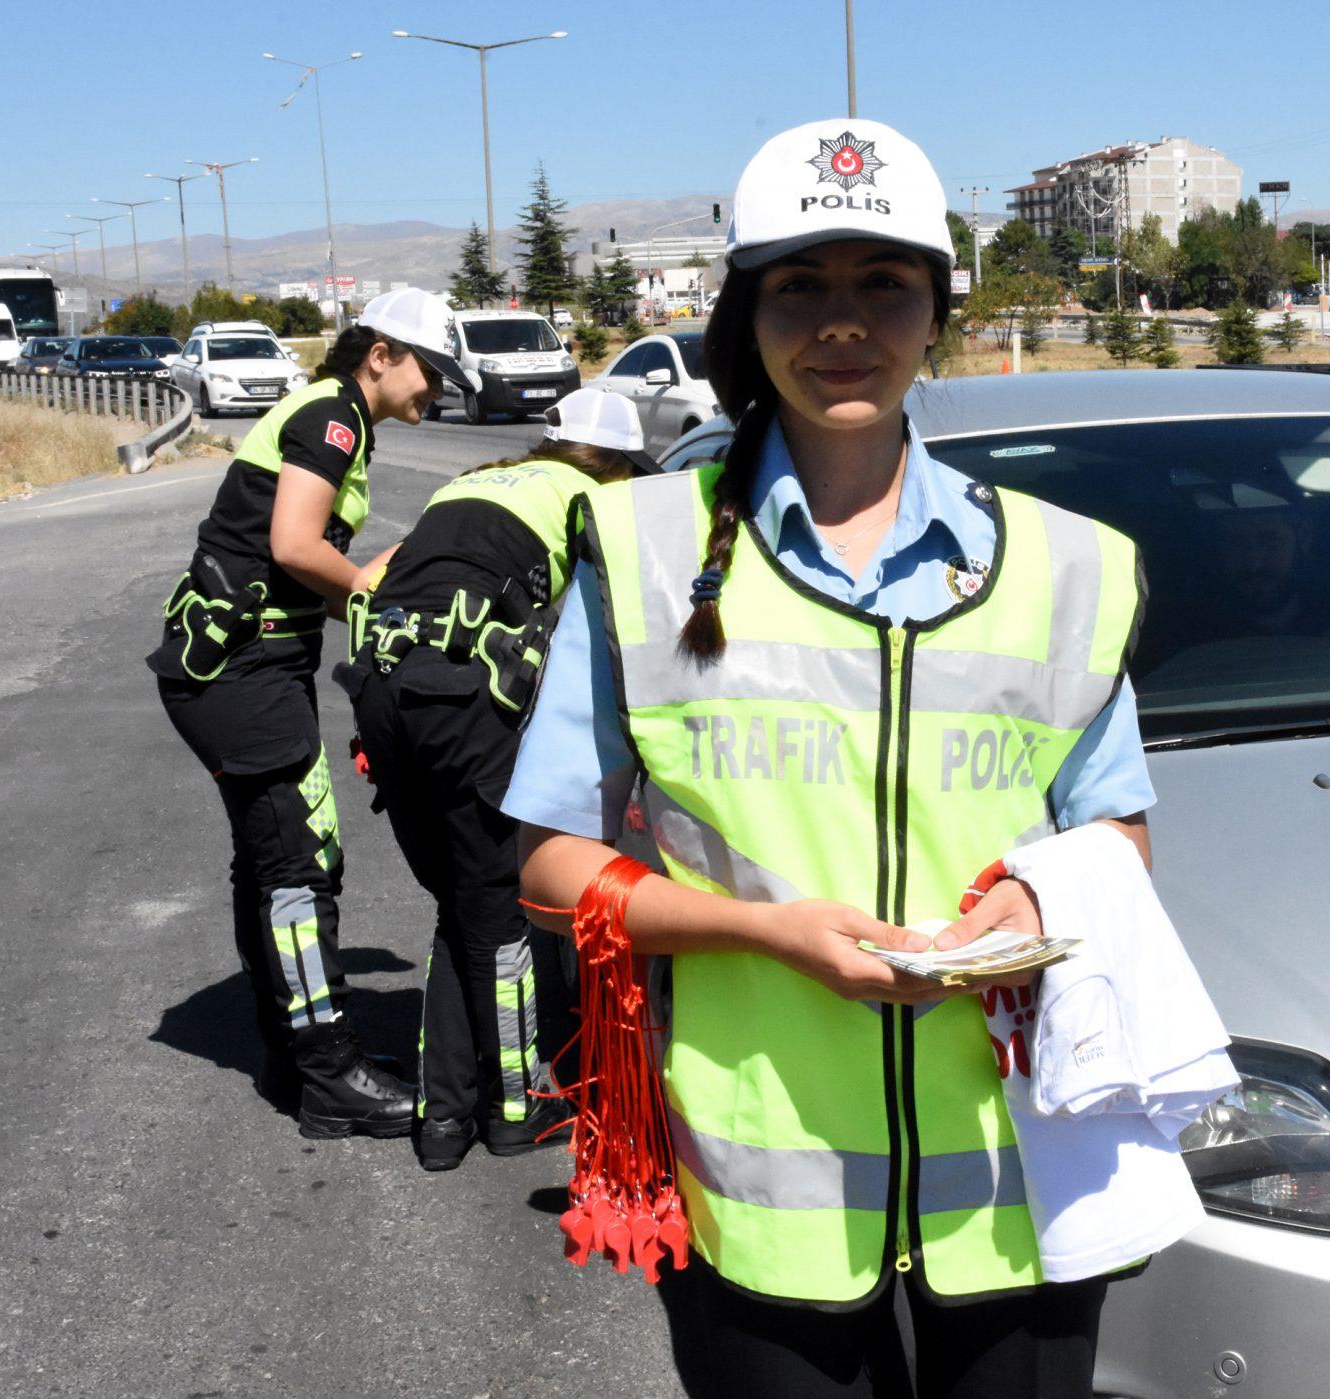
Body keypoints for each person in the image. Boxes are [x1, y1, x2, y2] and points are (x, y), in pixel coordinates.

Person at [505, 118, 1156, 1397]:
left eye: (883, 284)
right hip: (760, 1197)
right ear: (745, 317)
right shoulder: (641, 549)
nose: (842, 322)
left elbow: (1118, 833)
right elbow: (548, 862)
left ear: (936, 315)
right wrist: (772, 933)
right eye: (799, 285)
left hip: (1015, 1180)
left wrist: (1031, 902)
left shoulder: (1066, 562)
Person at [148, 288, 469, 1140]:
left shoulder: (339, 421)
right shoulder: (331, 417)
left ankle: (291, 1055)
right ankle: (332, 1075)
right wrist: (367, 584)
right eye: (430, 372)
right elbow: (296, 546)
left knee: (268, 858)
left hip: (250, 665)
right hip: (240, 672)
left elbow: (300, 574)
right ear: (381, 353)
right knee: (298, 861)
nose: (434, 392)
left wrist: (383, 589)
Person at [338, 389, 653, 1171]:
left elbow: (366, 583)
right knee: (505, 906)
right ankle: (516, 1107)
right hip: (463, 697)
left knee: (462, 905)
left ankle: (443, 1119)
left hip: (380, 689)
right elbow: (611, 627)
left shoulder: (470, 483)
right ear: (615, 464)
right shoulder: (592, 499)